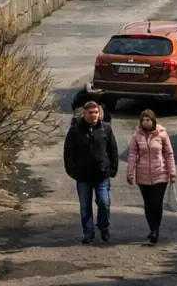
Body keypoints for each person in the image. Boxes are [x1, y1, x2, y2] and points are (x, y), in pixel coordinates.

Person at [64, 100, 119, 246]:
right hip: (83, 176)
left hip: (102, 174)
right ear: (85, 113)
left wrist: (113, 169)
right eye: (91, 112)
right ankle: (88, 233)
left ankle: (104, 227)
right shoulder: (75, 130)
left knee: (104, 202)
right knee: (85, 206)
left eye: (96, 112)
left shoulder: (105, 129)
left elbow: (112, 149)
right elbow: (68, 151)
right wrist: (71, 170)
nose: (94, 115)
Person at [125, 109, 176, 245]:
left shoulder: (162, 134)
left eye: (148, 119)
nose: (146, 122)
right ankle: (152, 228)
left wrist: (172, 172)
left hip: (160, 173)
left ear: (153, 120)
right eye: (143, 120)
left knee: (156, 203)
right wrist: (130, 173)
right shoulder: (137, 136)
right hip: (143, 175)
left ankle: (155, 230)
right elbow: (132, 155)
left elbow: (169, 153)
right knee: (148, 204)